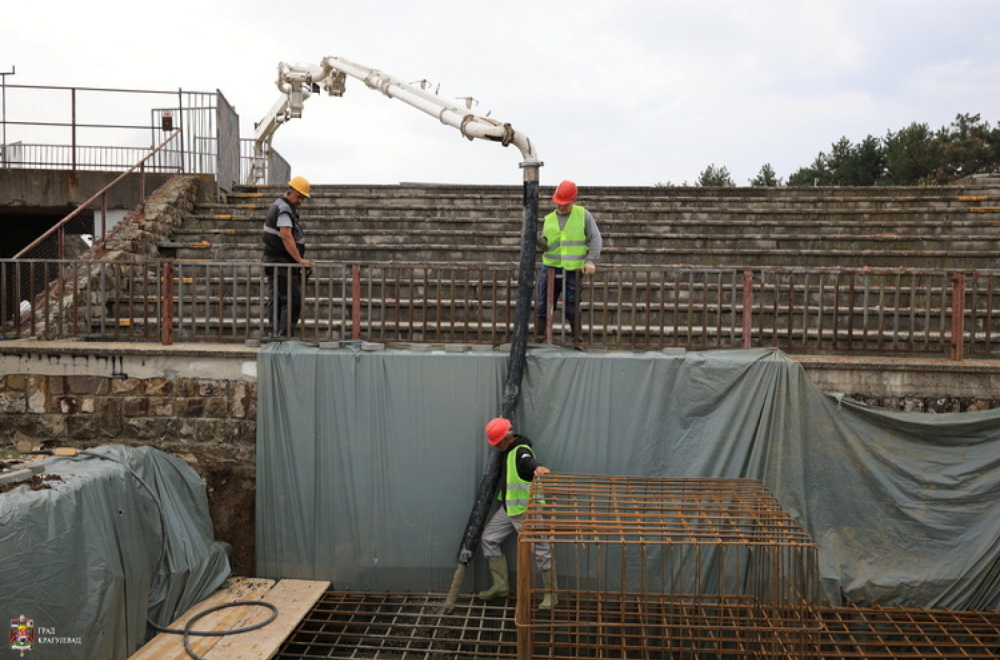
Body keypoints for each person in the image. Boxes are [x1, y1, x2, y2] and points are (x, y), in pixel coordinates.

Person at [477, 417, 557, 609]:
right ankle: (501, 586)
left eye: (497, 443)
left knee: (541, 551)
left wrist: (538, 468)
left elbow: (528, 462)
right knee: (489, 538)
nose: (496, 447)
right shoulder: (510, 451)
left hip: (527, 511)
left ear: (505, 439)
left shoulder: (521, 451)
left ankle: (551, 595)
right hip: (510, 509)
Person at [536, 179, 602, 347]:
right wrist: (538, 240)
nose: (561, 206)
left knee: (572, 305)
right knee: (543, 304)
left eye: (565, 203)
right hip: (550, 268)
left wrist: (590, 260)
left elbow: (595, 238)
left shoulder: (583, 215)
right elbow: (546, 245)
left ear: (574, 200)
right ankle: (540, 338)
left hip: (573, 269)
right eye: (559, 203)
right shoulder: (549, 219)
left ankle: (576, 340)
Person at [262, 176, 314, 337]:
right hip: (282, 263)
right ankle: (283, 336)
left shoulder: (281, 206)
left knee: (279, 299)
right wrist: (299, 260)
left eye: (303, 198)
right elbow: (286, 235)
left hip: (276, 262)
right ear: (289, 192)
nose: (300, 201)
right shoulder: (284, 209)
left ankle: (278, 335)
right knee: (291, 299)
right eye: (299, 197)